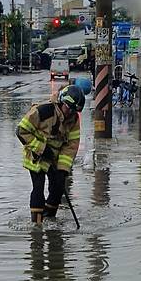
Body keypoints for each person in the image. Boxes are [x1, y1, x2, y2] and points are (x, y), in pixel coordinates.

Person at [15, 84, 85, 224]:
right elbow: (21, 131)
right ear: (61, 102)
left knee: (57, 189)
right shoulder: (43, 111)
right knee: (38, 188)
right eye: (68, 109)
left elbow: (71, 146)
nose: (69, 113)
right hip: (37, 156)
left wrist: (62, 170)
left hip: (55, 157)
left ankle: (49, 218)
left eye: (73, 111)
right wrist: (41, 149)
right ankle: (37, 225)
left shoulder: (74, 119)